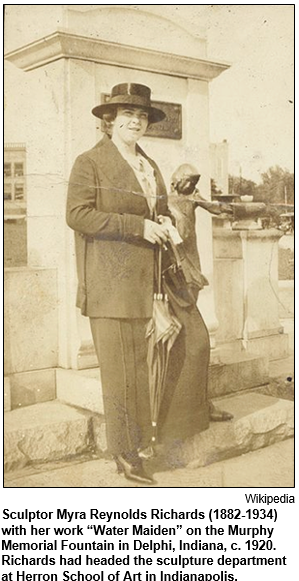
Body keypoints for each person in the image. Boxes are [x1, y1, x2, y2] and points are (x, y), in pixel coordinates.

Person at [66, 83, 211, 485]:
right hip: (112, 284)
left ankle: (160, 435)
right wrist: (138, 227)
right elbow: (78, 215)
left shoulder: (148, 164)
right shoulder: (89, 162)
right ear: (109, 120)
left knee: (181, 350)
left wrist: (163, 220)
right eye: (127, 114)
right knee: (123, 373)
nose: (136, 121)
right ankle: (127, 453)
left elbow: (157, 208)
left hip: (155, 280)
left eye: (143, 115)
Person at [168, 163, 233, 422]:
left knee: (196, 340)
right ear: (176, 180)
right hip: (174, 267)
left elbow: (213, 207)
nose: (192, 188)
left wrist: (227, 208)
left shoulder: (192, 197)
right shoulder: (164, 200)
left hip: (192, 267)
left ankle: (201, 403)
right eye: (189, 183)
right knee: (184, 340)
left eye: (195, 184)